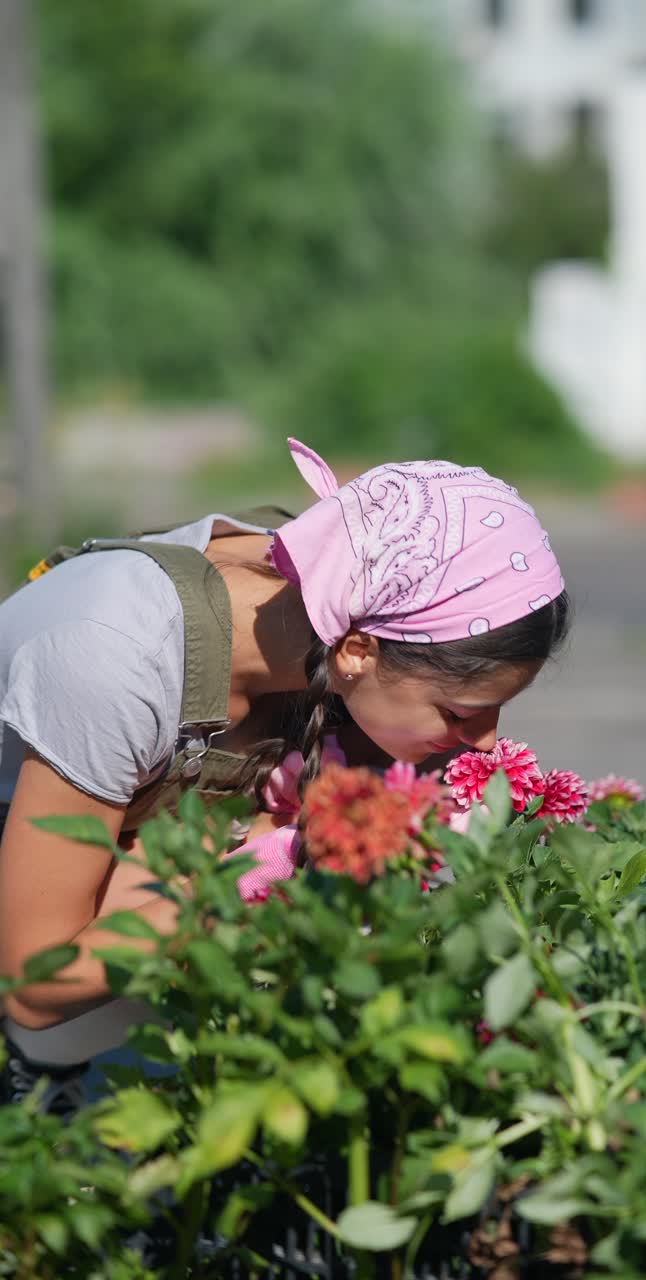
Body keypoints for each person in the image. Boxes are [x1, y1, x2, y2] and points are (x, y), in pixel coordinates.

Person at [0, 438, 568, 1108]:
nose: (486, 743)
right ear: (357, 651)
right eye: (460, 712)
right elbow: (34, 983)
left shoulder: (340, 592)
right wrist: (242, 884)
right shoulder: (117, 658)